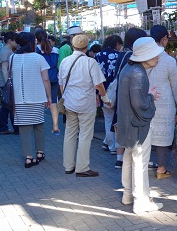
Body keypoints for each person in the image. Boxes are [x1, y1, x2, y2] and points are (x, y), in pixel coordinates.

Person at [116, 37, 163, 214]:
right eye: (155, 54)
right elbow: (139, 103)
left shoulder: (129, 69)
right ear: (146, 57)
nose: (158, 57)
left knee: (129, 157)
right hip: (137, 124)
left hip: (126, 122)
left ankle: (127, 195)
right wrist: (150, 99)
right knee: (140, 161)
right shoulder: (138, 73)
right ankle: (141, 201)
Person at [59, 34, 109, 177]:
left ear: (72, 46)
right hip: (86, 104)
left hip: (69, 103)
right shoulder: (90, 62)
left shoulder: (65, 61)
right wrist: (105, 99)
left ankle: (68, 166)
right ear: (86, 48)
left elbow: (61, 85)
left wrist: (66, 98)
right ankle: (82, 167)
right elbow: (99, 84)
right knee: (85, 135)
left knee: (69, 133)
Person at [148, 25, 177, 179]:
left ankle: (146, 163)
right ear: (164, 39)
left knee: (147, 134)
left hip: (146, 100)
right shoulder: (169, 61)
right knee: (163, 137)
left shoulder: (143, 57)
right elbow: (175, 85)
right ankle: (161, 169)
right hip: (164, 103)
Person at [11, 32, 52, 168]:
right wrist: (49, 97)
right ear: (32, 43)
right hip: (37, 96)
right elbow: (46, 79)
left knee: (24, 128)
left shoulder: (12, 58)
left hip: (19, 98)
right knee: (39, 125)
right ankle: (40, 152)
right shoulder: (38, 58)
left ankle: (28, 157)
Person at [111, 28, 148, 169]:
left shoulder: (121, 54)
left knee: (119, 123)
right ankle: (128, 157)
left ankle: (119, 158)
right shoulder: (132, 55)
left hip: (120, 92)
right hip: (129, 94)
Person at [94, 35, 123, 155]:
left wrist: (96, 93)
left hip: (103, 91)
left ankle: (109, 143)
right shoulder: (119, 56)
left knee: (108, 119)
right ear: (116, 44)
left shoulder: (98, 56)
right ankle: (113, 146)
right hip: (117, 91)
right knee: (116, 119)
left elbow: (95, 76)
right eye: (120, 45)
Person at [0, 32, 19, 135]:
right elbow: (4, 69)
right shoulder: (6, 51)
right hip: (6, 81)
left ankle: (4, 127)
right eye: (15, 40)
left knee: (6, 105)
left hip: (4, 81)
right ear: (10, 40)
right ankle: (13, 127)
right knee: (9, 105)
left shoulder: (6, 50)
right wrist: (7, 83)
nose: (16, 43)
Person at [38, 32, 61, 134]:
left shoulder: (37, 51)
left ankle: (37, 126)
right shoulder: (56, 50)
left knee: (39, 103)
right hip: (54, 79)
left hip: (42, 79)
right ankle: (55, 126)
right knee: (53, 103)